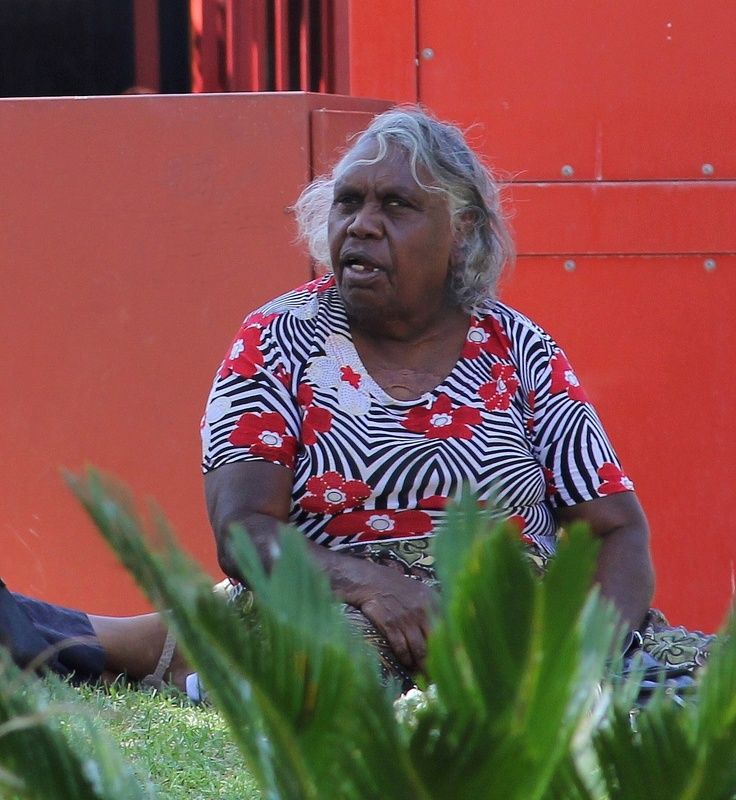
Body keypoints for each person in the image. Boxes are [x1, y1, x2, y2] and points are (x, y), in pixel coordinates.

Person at [0, 105, 679, 694]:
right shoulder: (280, 339)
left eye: (396, 206)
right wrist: (375, 587)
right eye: (349, 202)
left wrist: (583, 657)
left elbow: (616, 529)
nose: (361, 225)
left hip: (511, 622)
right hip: (339, 607)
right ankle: (148, 650)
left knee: (721, 678)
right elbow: (245, 534)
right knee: (348, 668)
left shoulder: (518, 347)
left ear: (463, 229)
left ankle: (149, 649)